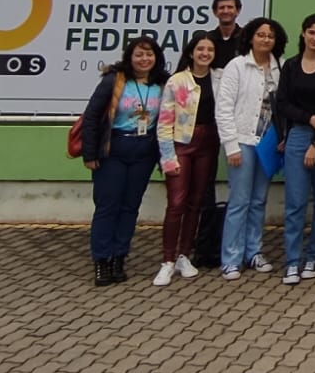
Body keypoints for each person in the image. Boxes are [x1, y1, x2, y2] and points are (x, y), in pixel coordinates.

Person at [81, 35, 168, 286]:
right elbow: (92, 117)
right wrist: (90, 154)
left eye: (149, 54)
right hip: (114, 150)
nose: (144, 59)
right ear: (129, 57)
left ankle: (119, 256)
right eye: (139, 54)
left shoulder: (162, 83)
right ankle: (102, 260)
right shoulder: (115, 80)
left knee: (130, 207)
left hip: (144, 151)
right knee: (108, 206)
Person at [215, 17, 286, 279]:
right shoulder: (237, 66)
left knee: (258, 200)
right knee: (239, 201)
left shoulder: (279, 67)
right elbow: (223, 108)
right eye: (261, 34)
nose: (266, 39)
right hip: (242, 141)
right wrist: (231, 145)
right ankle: (231, 258)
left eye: (270, 36)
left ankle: (253, 251)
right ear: (251, 37)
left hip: (267, 144)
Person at [275, 13, 315, 285]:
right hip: (298, 135)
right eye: (311, 32)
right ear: (303, 33)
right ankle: (292, 260)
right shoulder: (291, 66)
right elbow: (282, 104)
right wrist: (308, 119)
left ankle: (313, 256)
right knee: (295, 203)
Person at [154, 30, 219, 285]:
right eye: (200, 49)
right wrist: (167, 157)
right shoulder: (177, 81)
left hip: (208, 143)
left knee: (195, 202)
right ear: (191, 52)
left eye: (210, 50)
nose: (205, 53)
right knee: (176, 202)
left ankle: (184, 255)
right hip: (181, 143)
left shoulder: (219, 78)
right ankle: (167, 260)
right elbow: (164, 121)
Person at [209, 0, 244, 69]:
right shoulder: (208, 39)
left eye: (230, 7)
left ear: (238, 11)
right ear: (215, 12)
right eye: (222, 8)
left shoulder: (246, 38)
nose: (225, 11)